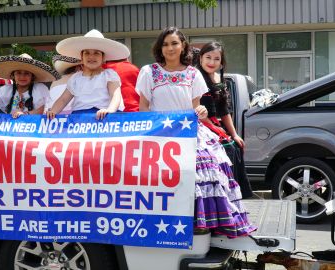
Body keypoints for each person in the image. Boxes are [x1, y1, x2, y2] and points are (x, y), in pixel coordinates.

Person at [136, 26, 255, 237]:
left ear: (183, 46)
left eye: (174, 43)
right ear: (159, 48)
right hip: (158, 132)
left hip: (189, 131)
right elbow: (143, 106)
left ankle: (202, 220)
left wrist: (200, 110)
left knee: (205, 165)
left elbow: (197, 107)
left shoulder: (193, 74)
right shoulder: (149, 71)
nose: (170, 48)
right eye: (165, 44)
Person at [196, 41, 254, 199]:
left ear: (221, 62)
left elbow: (224, 110)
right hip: (200, 125)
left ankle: (235, 193)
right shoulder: (195, 77)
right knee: (225, 148)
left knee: (236, 145)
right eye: (208, 57)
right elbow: (196, 108)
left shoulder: (219, 78)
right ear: (200, 58)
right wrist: (215, 128)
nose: (211, 62)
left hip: (215, 124)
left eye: (216, 59)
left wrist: (234, 134)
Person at [46, 29, 129, 120]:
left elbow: (115, 95)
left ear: (103, 57)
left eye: (96, 53)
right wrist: (53, 111)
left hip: (103, 117)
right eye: (87, 53)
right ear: (81, 57)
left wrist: (110, 110)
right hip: (79, 120)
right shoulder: (75, 78)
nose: (91, 57)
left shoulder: (109, 75)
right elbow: (63, 99)